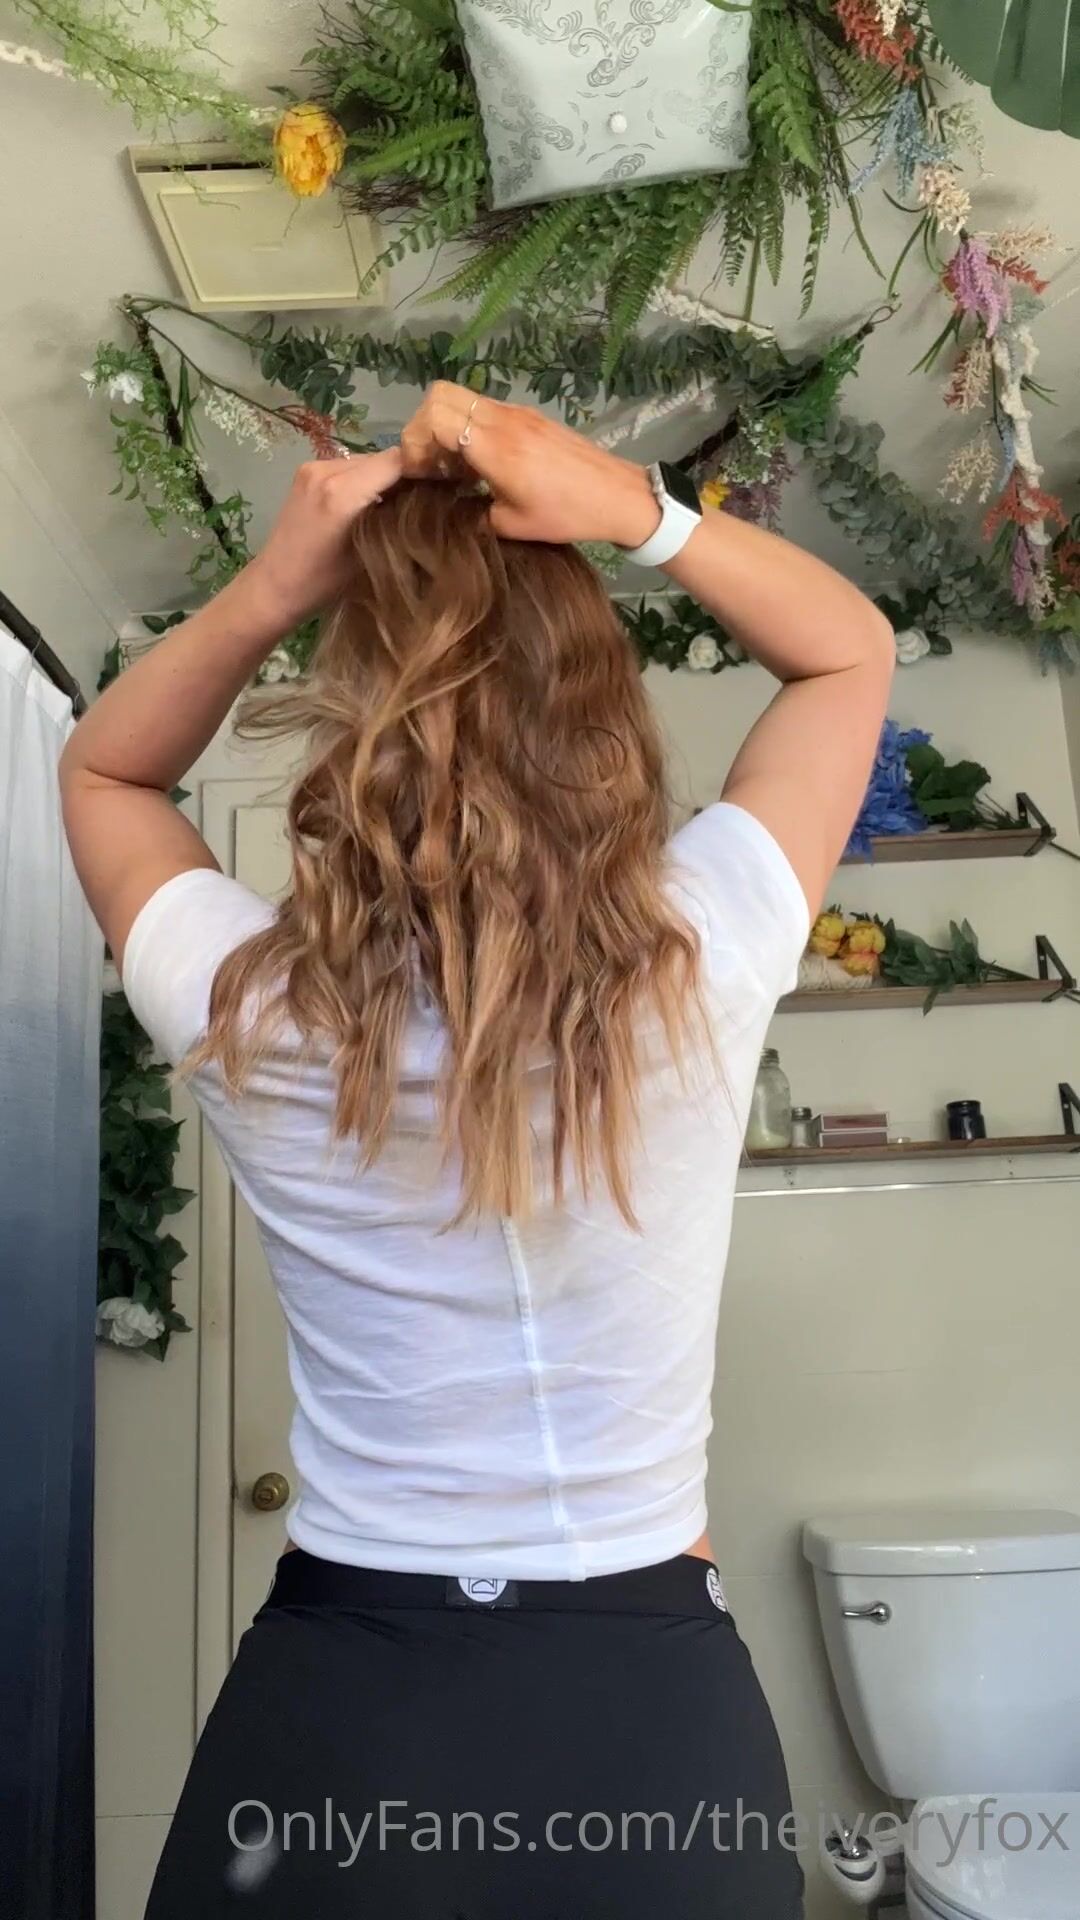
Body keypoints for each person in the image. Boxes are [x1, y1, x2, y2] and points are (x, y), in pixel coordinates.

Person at [61, 382, 893, 1918]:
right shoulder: (700, 954)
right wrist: (629, 506)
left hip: (343, 1711)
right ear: (599, 718)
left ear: (353, 726)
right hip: (649, 1722)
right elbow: (849, 651)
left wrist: (274, 583)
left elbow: (104, 772)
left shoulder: (251, 1005)